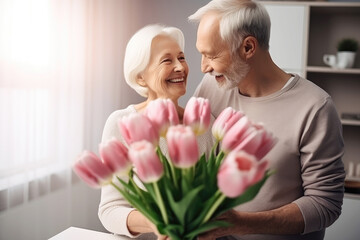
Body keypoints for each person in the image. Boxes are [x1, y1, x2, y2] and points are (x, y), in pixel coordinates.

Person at [188, 0, 345, 239]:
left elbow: (325, 204)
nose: (203, 68)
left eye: (211, 55)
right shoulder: (211, 87)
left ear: (248, 47)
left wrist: (240, 224)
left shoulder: (315, 107)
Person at [98, 24, 214, 240]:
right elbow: (109, 210)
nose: (180, 67)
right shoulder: (122, 123)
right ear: (141, 77)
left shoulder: (203, 123)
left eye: (181, 57)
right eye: (167, 60)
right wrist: (155, 223)